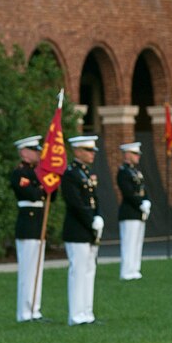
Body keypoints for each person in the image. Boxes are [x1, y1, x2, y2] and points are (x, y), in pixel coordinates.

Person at [62, 135, 103, 325]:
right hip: (77, 229)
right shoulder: (71, 174)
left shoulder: (86, 173)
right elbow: (75, 204)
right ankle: (76, 315)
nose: (92, 153)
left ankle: (87, 312)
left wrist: (98, 217)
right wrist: (90, 220)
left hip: (89, 229)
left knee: (89, 271)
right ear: (77, 151)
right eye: (88, 150)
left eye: (93, 150)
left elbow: (95, 200)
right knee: (78, 272)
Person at [9, 135, 50, 322]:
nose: (38, 153)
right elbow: (31, 194)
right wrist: (41, 187)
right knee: (27, 270)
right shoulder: (20, 173)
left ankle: (35, 309)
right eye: (34, 150)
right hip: (28, 224)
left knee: (37, 270)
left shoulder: (37, 172)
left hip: (38, 223)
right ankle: (25, 313)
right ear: (24, 152)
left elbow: (49, 194)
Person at [116, 142, 151, 281]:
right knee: (128, 243)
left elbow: (142, 189)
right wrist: (140, 203)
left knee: (137, 243)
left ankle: (134, 269)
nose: (138, 156)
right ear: (127, 155)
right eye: (135, 154)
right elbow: (128, 192)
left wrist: (147, 200)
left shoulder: (136, 171)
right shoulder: (123, 172)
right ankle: (126, 271)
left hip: (138, 212)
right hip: (129, 212)